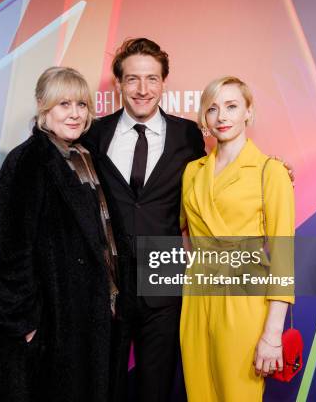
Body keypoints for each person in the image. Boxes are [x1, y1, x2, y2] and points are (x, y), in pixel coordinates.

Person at [0, 66, 128, 402]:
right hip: (51, 324)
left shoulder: (89, 157)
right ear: (44, 107)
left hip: (90, 316)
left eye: (81, 105)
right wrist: (25, 324)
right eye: (64, 105)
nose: (74, 114)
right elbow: (8, 250)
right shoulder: (28, 161)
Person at [84, 38, 206, 402]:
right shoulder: (93, 133)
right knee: (106, 387)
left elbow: (216, 175)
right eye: (133, 79)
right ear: (118, 83)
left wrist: (271, 171)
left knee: (158, 387)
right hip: (109, 280)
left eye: (152, 79)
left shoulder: (188, 135)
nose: (142, 89)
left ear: (164, 82)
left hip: (165, 277)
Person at [179, 76, 295, 401]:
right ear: (204, 117)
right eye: (213, 109)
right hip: (197, 299)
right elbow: (185, 231)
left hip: (244, 301)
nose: (222, 117)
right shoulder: (192, 172)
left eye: (232, 106)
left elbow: (284, 258)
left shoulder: (270, 171)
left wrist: (273, 333)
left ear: (248, 112)